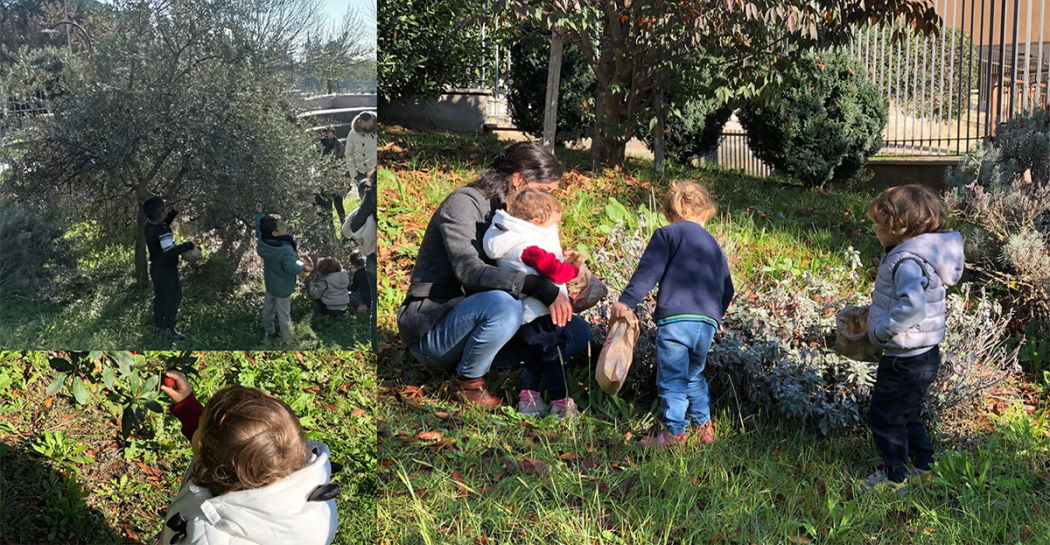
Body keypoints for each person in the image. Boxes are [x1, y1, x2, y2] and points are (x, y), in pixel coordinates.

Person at [397, 142, 590, 408]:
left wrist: (562, 280)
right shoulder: (464, 203)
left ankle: (506, 364)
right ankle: (469, 382)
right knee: (503, 305)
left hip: (492, 315)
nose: (549, 200)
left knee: (576, 331)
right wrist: (538, 286)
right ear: (519, 180)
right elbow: (469, 271)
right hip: (435, 325)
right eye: (545, 191)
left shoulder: (518, 213)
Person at [611, 181, 734, 449]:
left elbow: (648, 272)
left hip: (677, 318)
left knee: (672, 378)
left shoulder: (668, 235)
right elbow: (728, 288)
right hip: (707, 322)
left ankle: (673, 434)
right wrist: (713, 316)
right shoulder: (714, 245)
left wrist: (626, 301)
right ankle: (704, 427)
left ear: (670, 212)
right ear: (706, 212)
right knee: (694, 375)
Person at [158, 372, 339, 545]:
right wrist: (186, 405)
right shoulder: (301, 490)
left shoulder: (211, 538)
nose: (196, 428)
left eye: (200, 427)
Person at [863, 184, 964, 492]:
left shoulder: (906, 260)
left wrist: (881, 331)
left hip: (904, 358)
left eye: (879, 225)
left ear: (899, 228)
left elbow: (913, 306)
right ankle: (923, 465)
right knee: (906, 412)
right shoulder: (919, 254)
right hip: (924, 354)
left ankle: (895, 476)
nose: (874, 230)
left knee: (885, 415)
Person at [482, 188, 580, 418]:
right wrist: (574, 269)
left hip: (524, 317)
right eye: (553, 224)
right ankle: (561, 403)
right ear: (536, 222)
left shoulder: (508, 238)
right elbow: (556, 273)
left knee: (532, 360)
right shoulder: (532, 249)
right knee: (554, 359)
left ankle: (529, 402)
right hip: (543, 316)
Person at [254, 202, 313, 343]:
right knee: (283, 314)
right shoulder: (285, 249)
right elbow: (291, 269)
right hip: (283, 288)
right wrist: (302, 264)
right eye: (282, 226)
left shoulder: (263, 241)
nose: (285, 226)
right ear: (275, 233)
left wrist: (259, 214)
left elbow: (259, 229)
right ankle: (287, 339)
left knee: (268, 309)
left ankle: (269, 331)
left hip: (270, 283)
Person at [142, 196, 196, 341]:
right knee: (174, 297)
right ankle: (169, 329)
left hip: (156, 269)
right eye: (165, 208)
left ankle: (159, 325)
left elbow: (161, 225)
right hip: (167, 270)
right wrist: (187, 245)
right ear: (161, 214)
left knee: (160, 297)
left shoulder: (149, 225)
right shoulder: (163, 229)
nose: (167, 209)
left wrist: (173, 213)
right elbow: (170, 251)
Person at [317, 128, 347, 222]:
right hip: (324, 180)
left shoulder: (339, 146)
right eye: (326, 136)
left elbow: (344, 162)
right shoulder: (319, 147)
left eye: (330, 136)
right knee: (327, 205)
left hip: (337, 179)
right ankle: (330, 226)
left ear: (334, 135)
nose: (328, 138)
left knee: (339, 204)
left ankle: (344, 224)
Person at [345, 111, 376, 191]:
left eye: (369, 125)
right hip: (360, 173)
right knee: (364, 199)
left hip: (375, 173)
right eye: (365, 126)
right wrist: (353, 174)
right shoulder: (352, 134)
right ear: (360, 122)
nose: (368, 128)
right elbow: (349, 154)